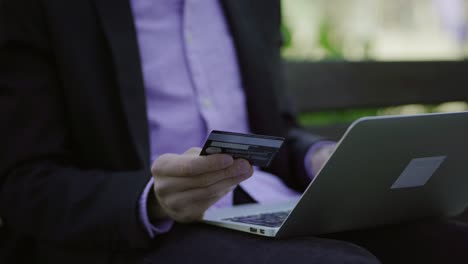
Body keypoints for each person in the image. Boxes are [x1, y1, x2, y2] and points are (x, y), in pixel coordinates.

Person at [0, 0, 465, 263]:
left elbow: (274, 133)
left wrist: (316, 157)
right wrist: (152, 199)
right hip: (137, 237)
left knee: (449, 245)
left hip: (270, 206)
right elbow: (23, 184)